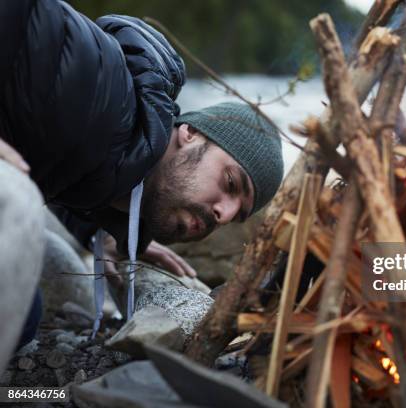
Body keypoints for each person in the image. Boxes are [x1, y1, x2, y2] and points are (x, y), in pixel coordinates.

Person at [0, 0, 284, 353]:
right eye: (230, 184)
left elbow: (63, 166)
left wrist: (103, 231)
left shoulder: (109, 152)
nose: (223, 215)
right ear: (190, 133)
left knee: (24, 321)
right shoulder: (101, 87)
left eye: (237, 214)